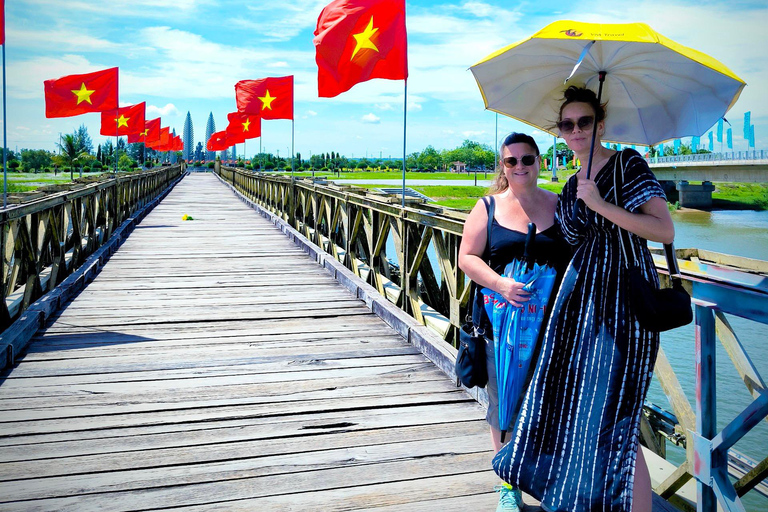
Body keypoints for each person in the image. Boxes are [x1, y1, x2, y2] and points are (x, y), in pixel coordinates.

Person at [492, 86, 675, 512]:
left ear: (600, 125)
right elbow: (573, 240)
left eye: (585, 122)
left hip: (626, 307)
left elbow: (664, 231)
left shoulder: (627, 164)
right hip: (582, 310)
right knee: (582, 412)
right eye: (568, 124)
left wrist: (600, 204)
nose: (576, 131)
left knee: (620, 418)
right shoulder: (574, 182)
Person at [458, 132, 571, 512]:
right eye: (511, 161)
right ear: (502, 167)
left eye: (527, 159)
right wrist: (500, 283)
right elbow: (467, 258)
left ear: (540, 162)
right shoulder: (487, 207)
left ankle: (546, 477)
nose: (520, 166)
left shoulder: (561, 206)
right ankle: (508, 484)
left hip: (550, 329)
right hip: (499, 328)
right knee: (502, 404)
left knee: (547, 403)